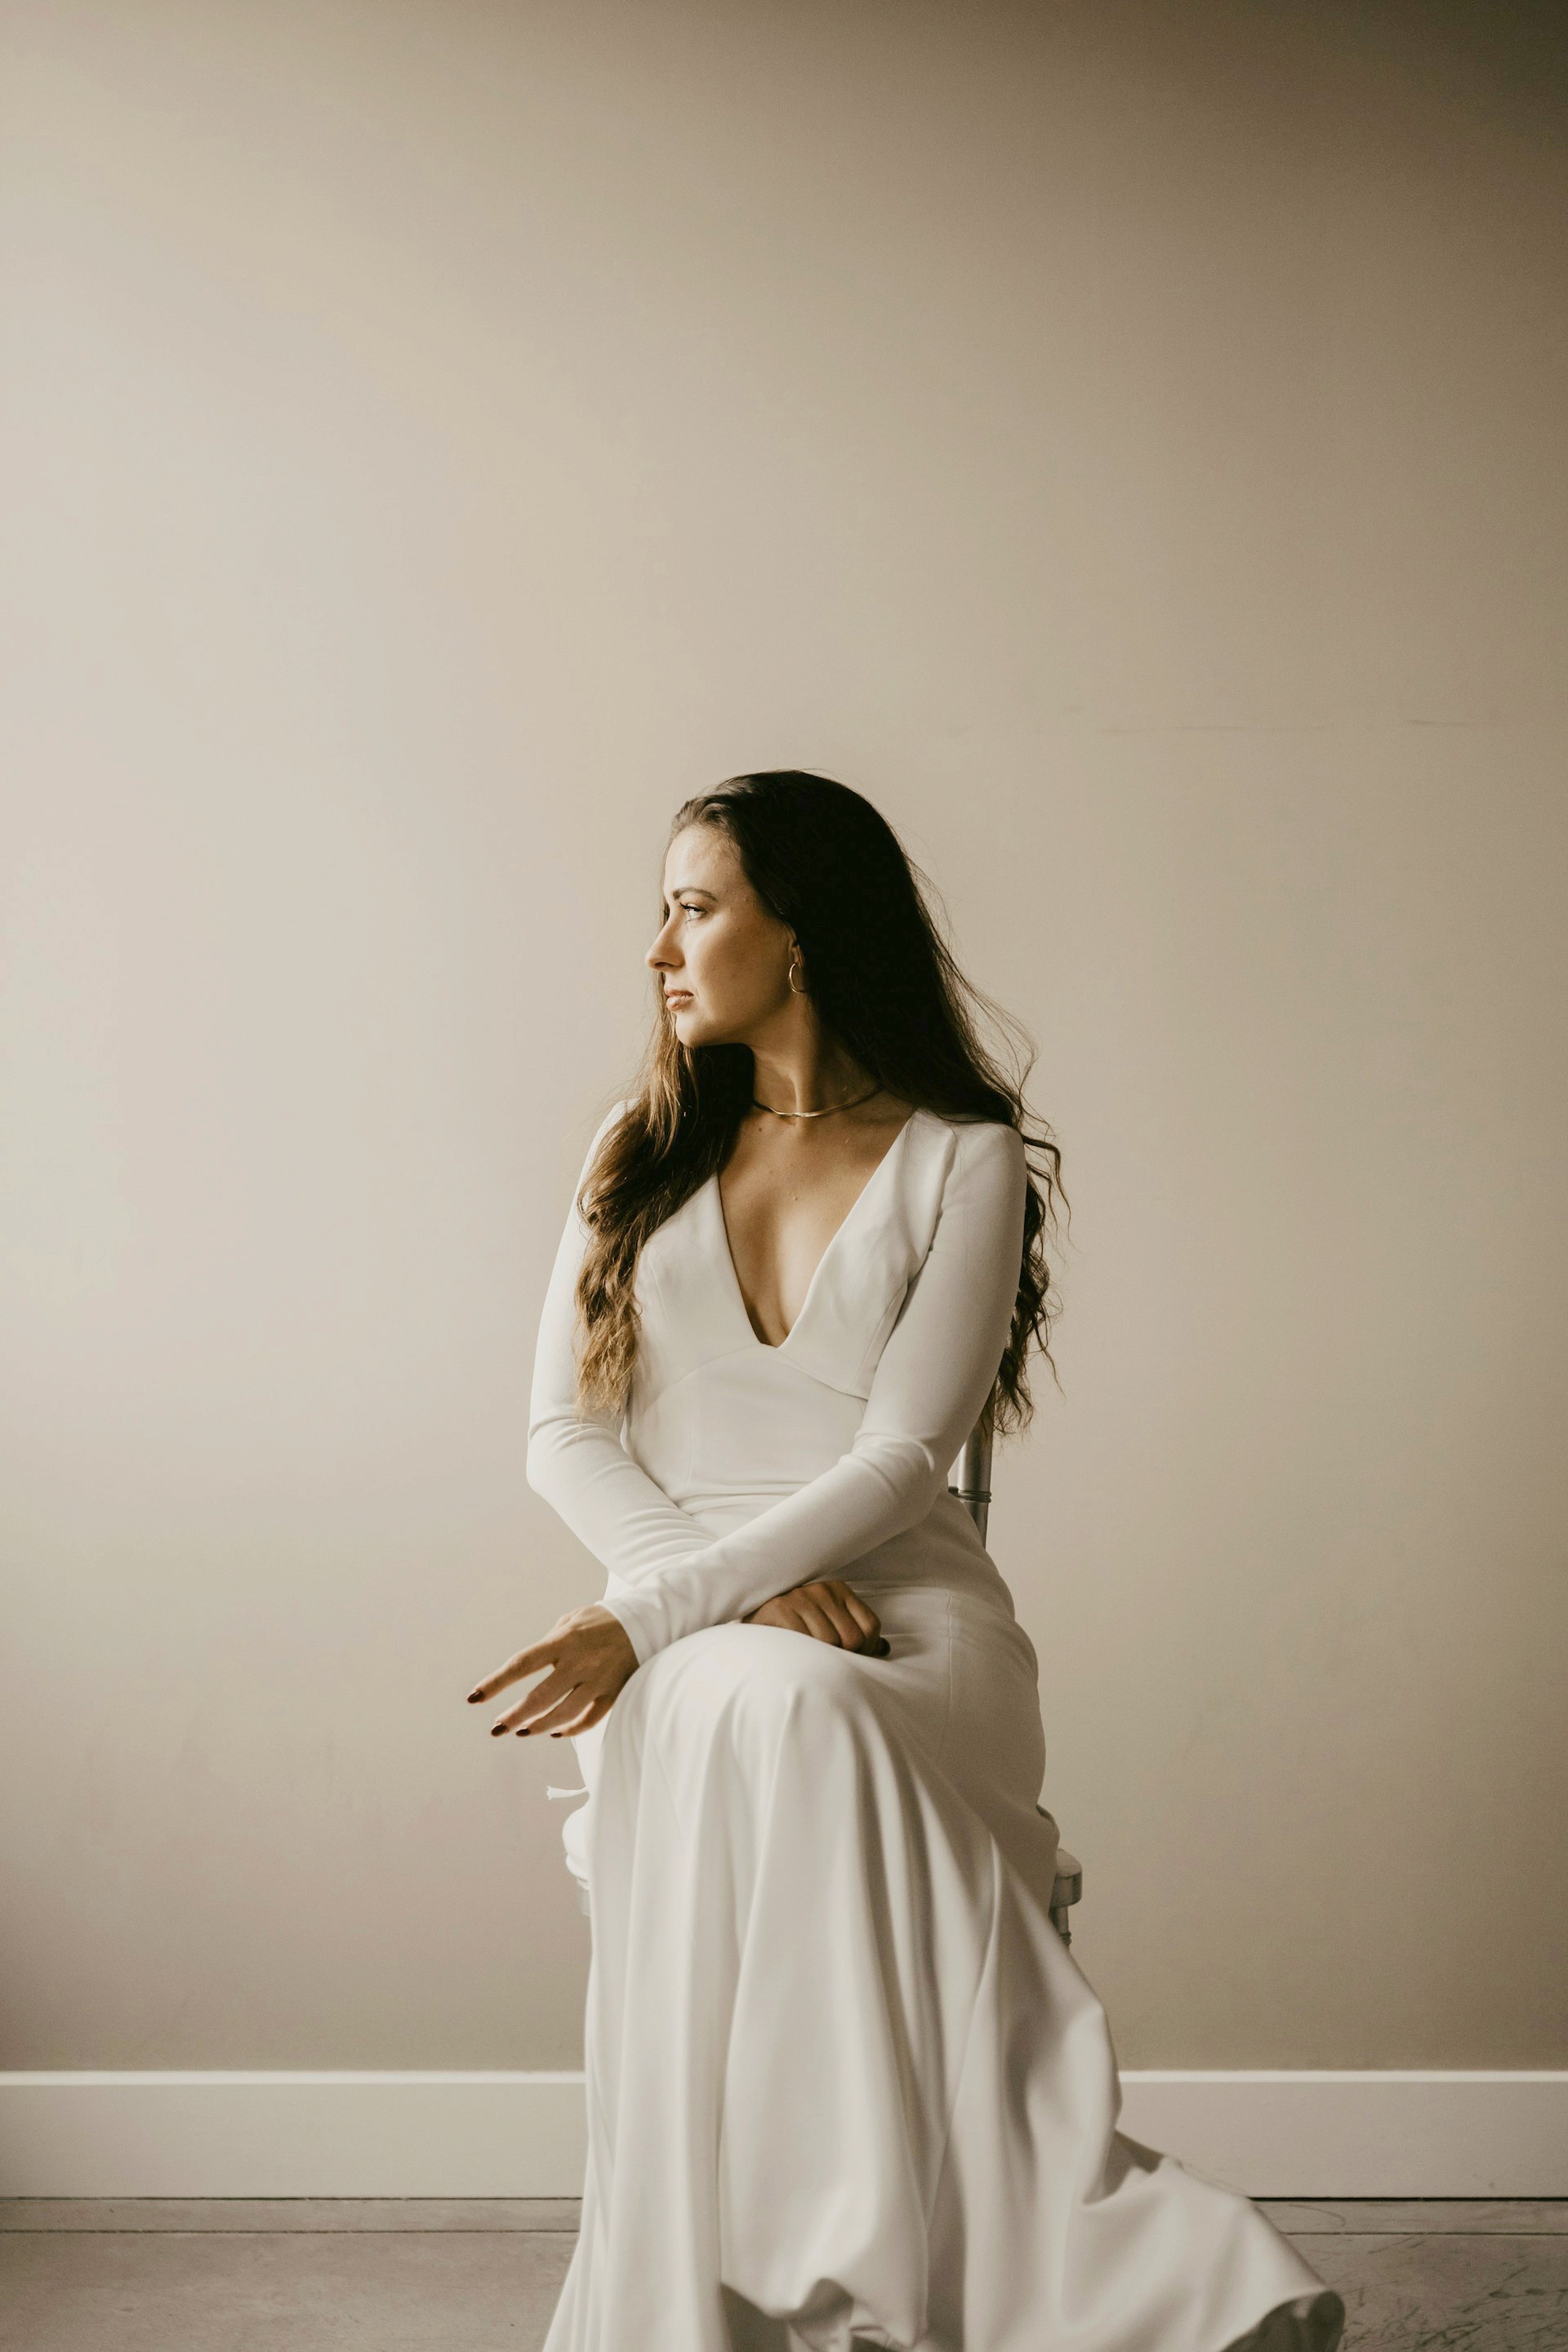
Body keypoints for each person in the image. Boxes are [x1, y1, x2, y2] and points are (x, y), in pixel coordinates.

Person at [468, 773, 1347, 2352]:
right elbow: (562, 1438)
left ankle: (892, 2287)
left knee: (802, 1705)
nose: (659, 948)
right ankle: (1060, 2272)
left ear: (800, 932)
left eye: (694, 907)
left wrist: (661, 1614)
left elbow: (900, 1463)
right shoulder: (636, 1148)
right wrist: (719, 1595)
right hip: (704, 1635)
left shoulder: (963, 1158)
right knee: (765, 1698)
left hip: (909, 1625)